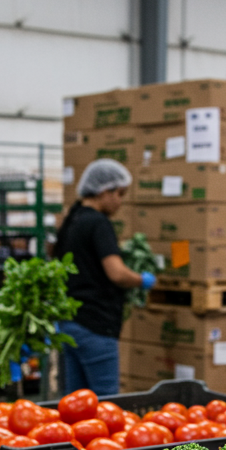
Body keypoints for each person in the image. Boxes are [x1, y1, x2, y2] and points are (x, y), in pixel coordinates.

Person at [54, 158, 156, 394]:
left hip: (69, 323)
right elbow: (116, 273)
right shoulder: (99, 223)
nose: (120, 201)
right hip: (95, 325)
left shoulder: (72, 219)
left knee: (75, 401)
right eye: (119, 194)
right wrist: (142, 280)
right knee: (106, 400)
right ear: (104, 191)